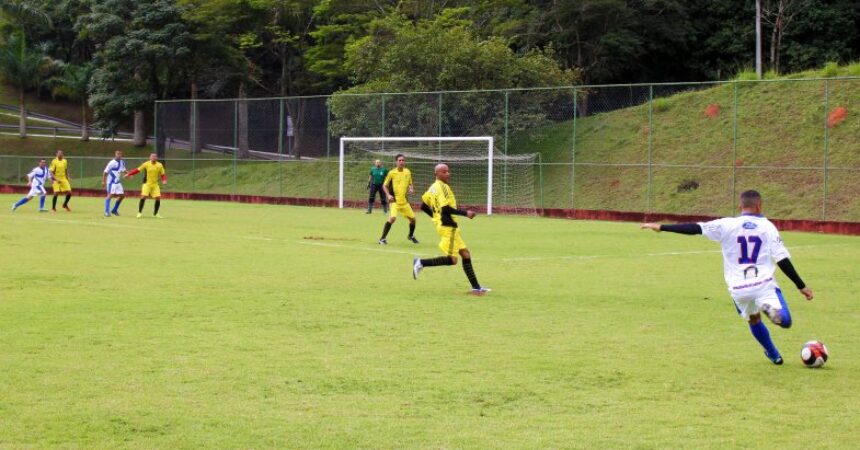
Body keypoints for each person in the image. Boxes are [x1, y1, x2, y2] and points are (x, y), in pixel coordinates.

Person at [640, 190, 814, 365]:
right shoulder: (768, 227)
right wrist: (801, 286)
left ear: (740, 206)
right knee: (785, 321)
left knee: (753, 319)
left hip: (739, 289)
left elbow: (694, 228)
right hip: (763, 283)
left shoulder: (727, 224)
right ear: (759, 205)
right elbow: (782, 259)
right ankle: (769, 308)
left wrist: (662, 227)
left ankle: (774, 354)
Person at [412, 163, 490, 295]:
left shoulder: (432, 188)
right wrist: (466, 213)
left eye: (448, 171)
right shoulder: (442, 187)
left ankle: (476, 287)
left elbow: (423, 206)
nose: (448, 173)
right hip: (448, 226)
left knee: (465, 254)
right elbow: (445, 209)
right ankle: (420, 263)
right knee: (452, 260)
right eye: (444, 171)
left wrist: (436, 217)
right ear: (437, 174)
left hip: (445, 225)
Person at [379, 154, 418, 244]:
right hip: (394, 201)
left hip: (404, 202)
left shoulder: (407, 172)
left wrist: (411, 188)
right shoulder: (392, 173)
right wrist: (388, 195)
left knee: (413, 220)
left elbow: (410, 183)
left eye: (403, 160)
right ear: (396, 162)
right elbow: (384, 185)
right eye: (399, 160)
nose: (401, 162)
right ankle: (382, 239)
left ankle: (411, 236)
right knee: (392, 218)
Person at [125, 153, 167, 219]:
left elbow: (163, 174)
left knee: (158, 197)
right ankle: (139, 212)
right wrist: (129, 174)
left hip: (155, 184)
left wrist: (164, 180)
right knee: (143, 196)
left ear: (157, 158)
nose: (154, 157)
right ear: (150, 157)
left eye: (155, 156)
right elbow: (137, 170)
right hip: (146, 184)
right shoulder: (146, 164)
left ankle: (155, 214)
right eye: (152, 156)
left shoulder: (160, 165)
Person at [101, 150, 127, 217]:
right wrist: (103, 181)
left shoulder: (122, 162)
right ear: (115, 154)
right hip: (111, 182)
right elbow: (105, 172)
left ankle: (114, 210)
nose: (119, 155)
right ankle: (106, 212)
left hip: (117, 182)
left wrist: (128, 175)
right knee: (110, 195)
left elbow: (124, 170)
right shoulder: (112, 162)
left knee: (122, 196)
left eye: (120, 154)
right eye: (118, 154)